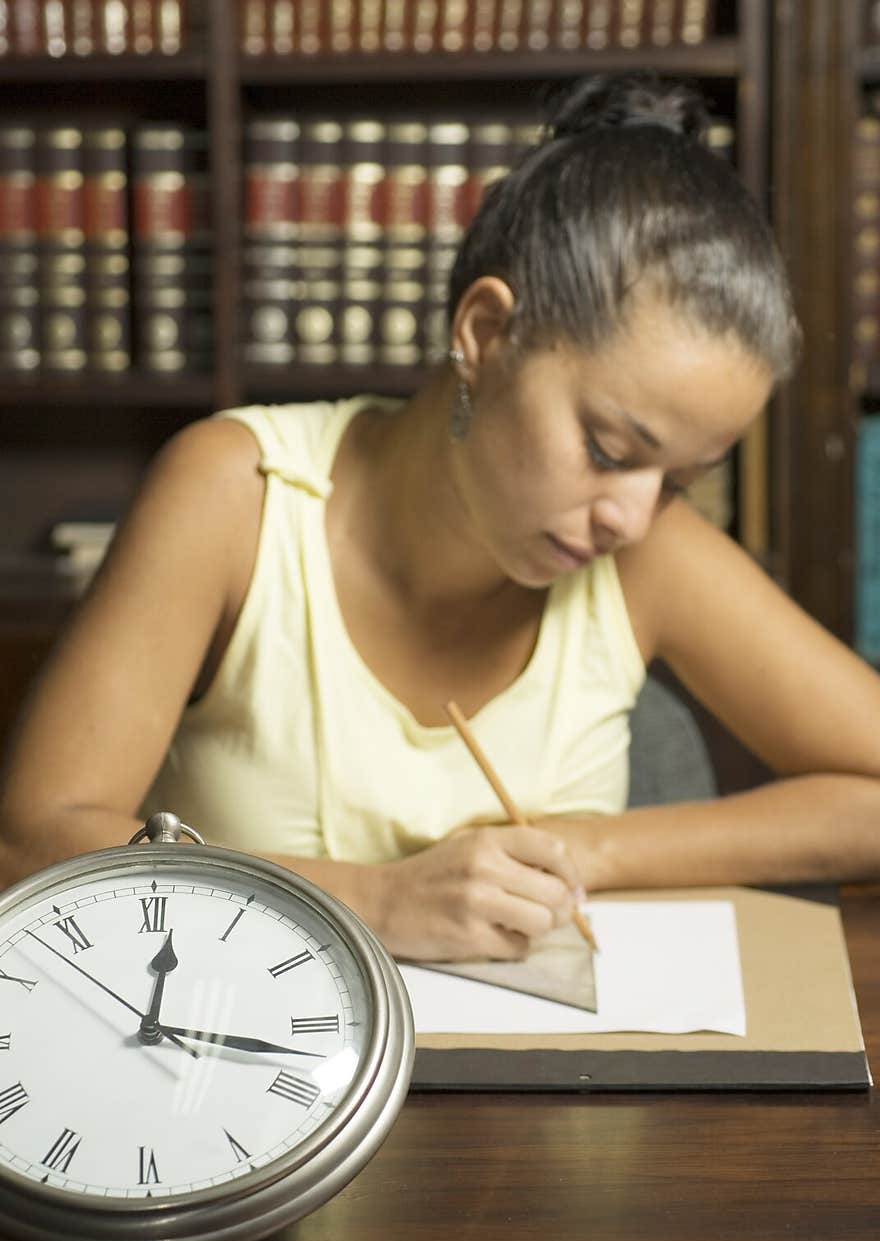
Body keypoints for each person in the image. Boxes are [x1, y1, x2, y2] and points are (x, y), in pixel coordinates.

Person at [2, 72, 880, 963]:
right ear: (486, 333)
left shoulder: (645, 550)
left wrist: (585, 851)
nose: (633, 513)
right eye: (610, 450)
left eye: (681, 481)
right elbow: (31, 845)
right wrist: (375, 901)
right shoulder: (239, 493)